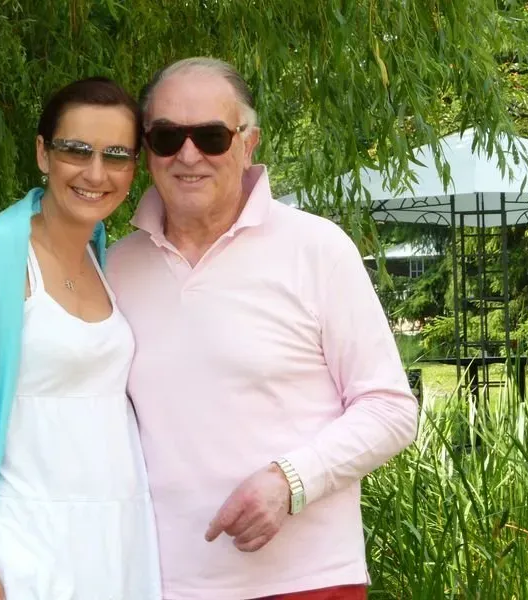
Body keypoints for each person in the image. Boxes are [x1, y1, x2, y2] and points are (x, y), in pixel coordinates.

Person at [106, 58, 418, 600]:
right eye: (167, 136)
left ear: (248, 143)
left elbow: (390, 409)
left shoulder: (317, 248)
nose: (188, 155)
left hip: (308, 582)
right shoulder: (114, 267)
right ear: (146, 149)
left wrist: (289, 481)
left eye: (211, 136)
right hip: (162, 584)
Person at [0, 77, 161, 600]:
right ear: (43, 153)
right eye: (76, 150)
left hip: (116, 537)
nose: (95, 173)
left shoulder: (103, 254)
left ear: (134, 168)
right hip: (23, 539)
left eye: (115, 155)